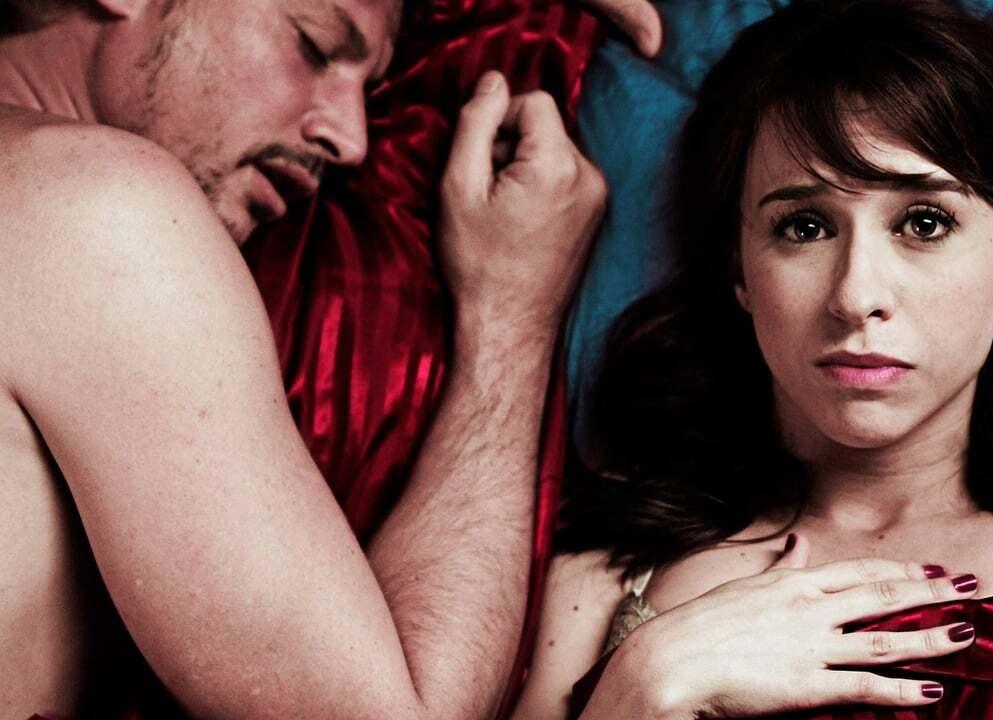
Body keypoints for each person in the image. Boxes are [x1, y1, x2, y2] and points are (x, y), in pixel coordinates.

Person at [512, 1, 993, 718]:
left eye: (924, 222)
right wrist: (645, 682)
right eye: (805, 226)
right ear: (738, 269)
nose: (857, 296)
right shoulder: (611, 563)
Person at [0, 0, 660, 717]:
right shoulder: (98, 206)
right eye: (313, 44)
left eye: (369, 88)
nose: (352, 139)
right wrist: (511, 315)